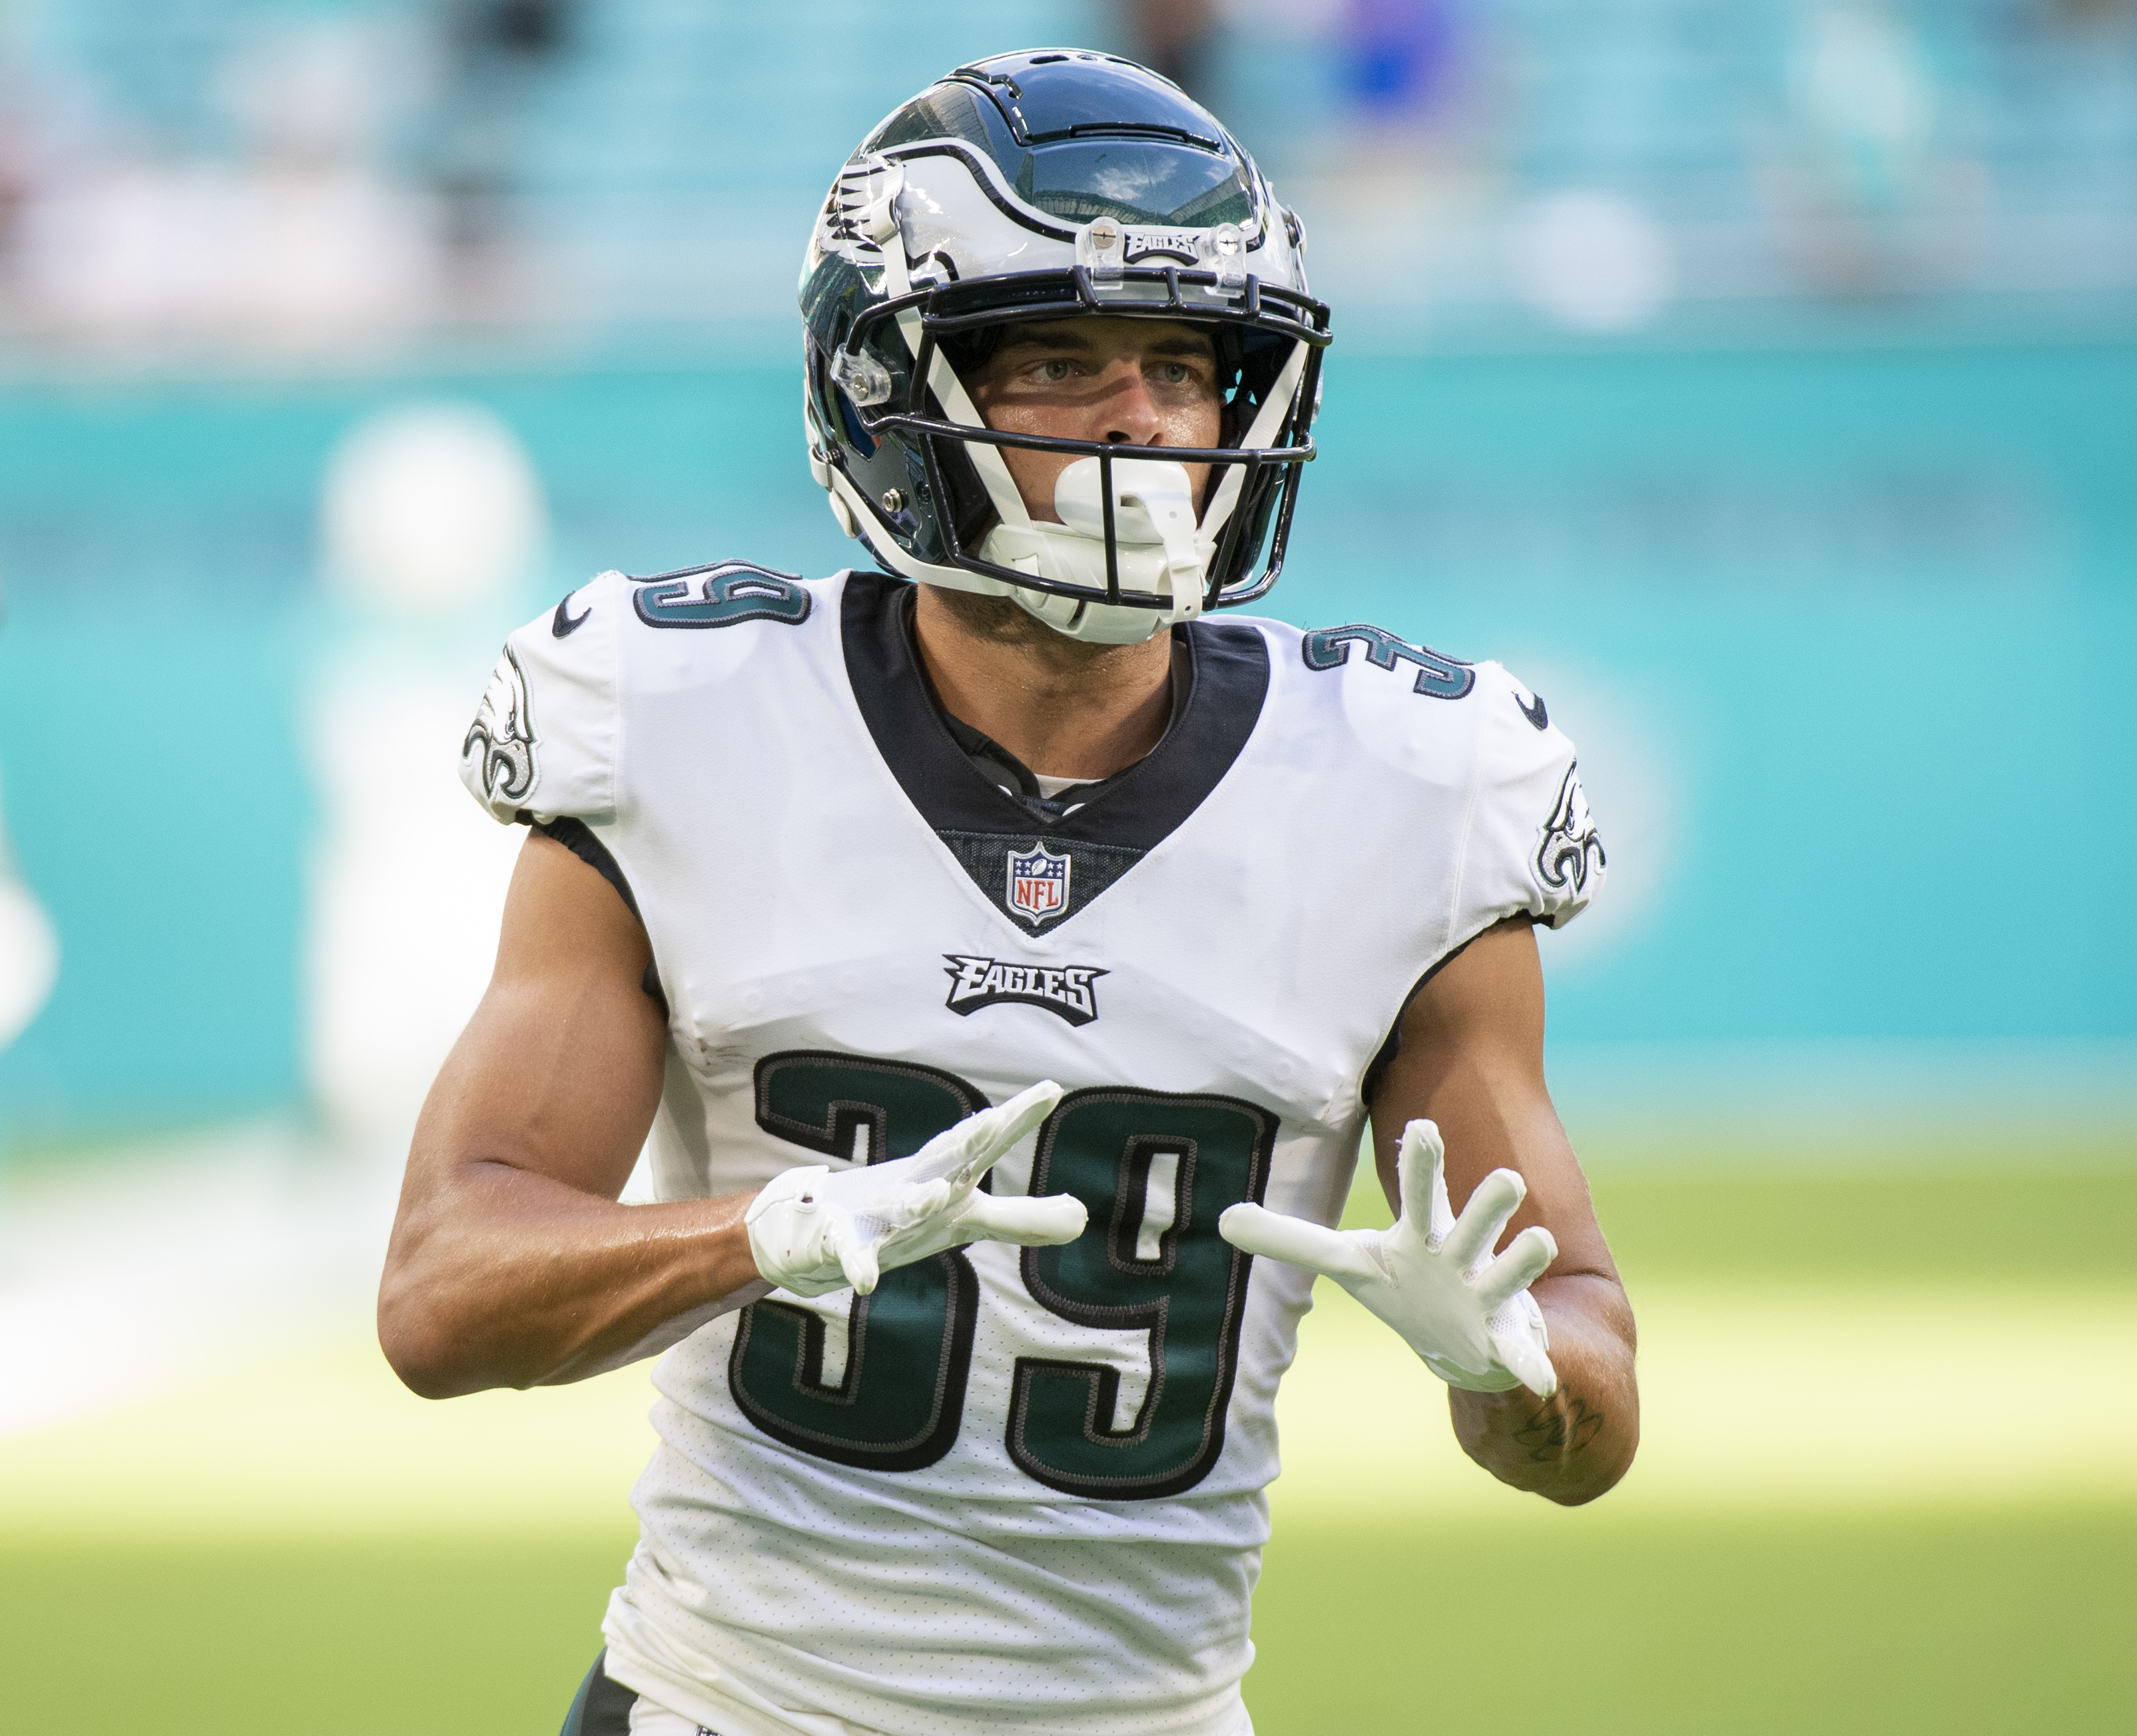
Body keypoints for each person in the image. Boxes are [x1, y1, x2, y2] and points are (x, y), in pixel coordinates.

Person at [376, 49, 1638, 1736]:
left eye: (1185, 367)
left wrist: (1518, 1370)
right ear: (887, 392)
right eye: (1059, 359)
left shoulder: (1409, 789)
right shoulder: (681, 720)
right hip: (724, 1704)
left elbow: (1584, 1388)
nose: (1142, 422)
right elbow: (446, 1293)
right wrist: (761, 1231)